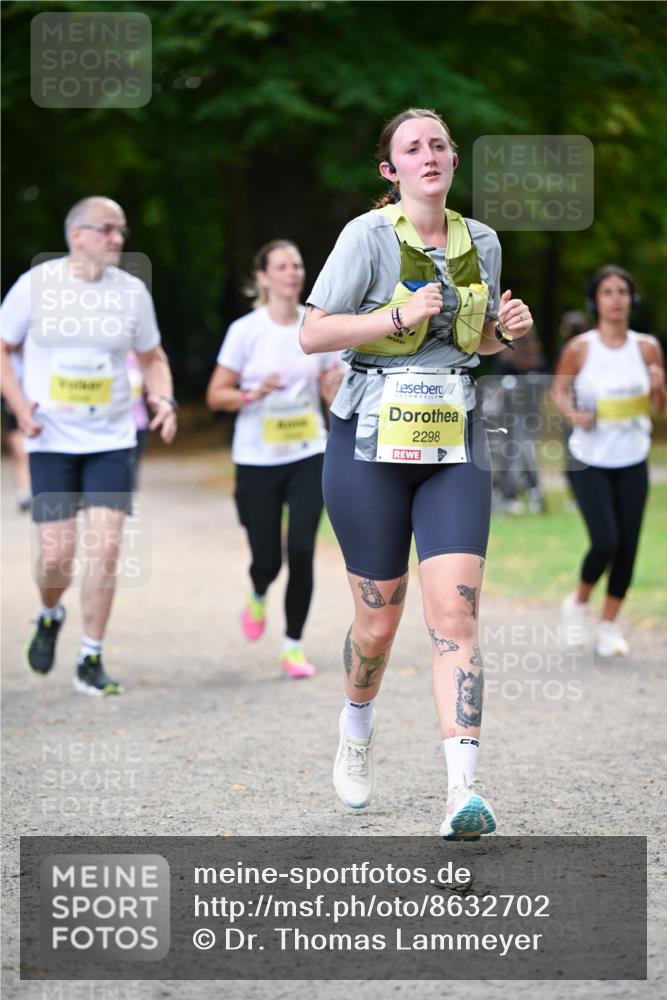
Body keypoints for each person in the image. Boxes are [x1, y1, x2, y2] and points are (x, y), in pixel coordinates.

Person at [300, 108, 533, 838]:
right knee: (377, 623)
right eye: (411, 147)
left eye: (438, 144)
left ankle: (462, 790)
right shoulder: (364, 238)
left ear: (453, 161)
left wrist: (504, 332)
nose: (427, 155)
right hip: (367, 445)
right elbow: (313, 332)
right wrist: (393, 317)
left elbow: (474, 340)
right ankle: (356, 729)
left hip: (451, 443)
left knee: (455, 615)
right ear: (389, 170)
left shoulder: (481, 241)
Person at [0, 196, 177, 695]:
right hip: (50, 438)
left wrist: (162, 397)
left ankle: (90, 658)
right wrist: (18, 403)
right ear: (77, 235)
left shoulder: (132, 293)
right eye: (106, 229)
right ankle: (50, 612)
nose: (118, 239)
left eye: (121, 230)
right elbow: (3, 345)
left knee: (105, 548)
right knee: (56, 554)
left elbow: (153, 356)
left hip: (113, 438)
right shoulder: (35, 287)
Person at [206, 240, 342, 679]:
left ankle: (292, 645)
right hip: (256, 458)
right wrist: (251, 393)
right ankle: (259, 588)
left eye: (298, 265)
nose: (292, 272)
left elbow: (333, 394)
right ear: (262, 276)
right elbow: (216, 395)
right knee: (268, 558)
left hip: (308, 451)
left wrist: (332, 392)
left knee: (301, 549)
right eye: (282, 266)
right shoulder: (246, 331)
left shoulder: (317, 326)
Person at [552, 265, 665, 657]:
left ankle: (609, 627)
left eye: (623, 291)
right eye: (608, 292)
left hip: (632, 458)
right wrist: (573, 415)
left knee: (629, 547)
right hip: (590, 459)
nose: (617, 299)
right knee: (605, 541)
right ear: (595, 301)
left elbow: (658, 407)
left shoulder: (647, 347)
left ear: (631, 300)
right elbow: (559, 391)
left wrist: (659, 389)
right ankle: (578, 604)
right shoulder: (581, 348)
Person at [2, 349, 32, 512]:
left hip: (36, 402)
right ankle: (23, 492)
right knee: (21, 452)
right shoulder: (6, 353)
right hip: (12, 402)